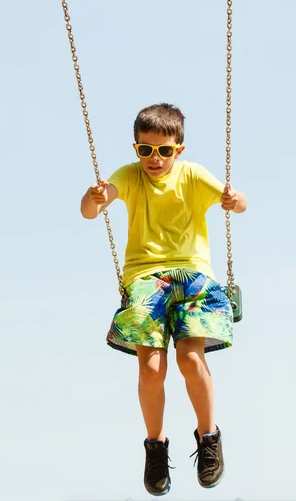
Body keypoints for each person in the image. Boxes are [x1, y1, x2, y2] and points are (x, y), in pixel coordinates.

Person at [81, 103, 247, 495]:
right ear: (135, 149)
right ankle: (155, 447)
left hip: (192, 275)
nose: (154, 159)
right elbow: (90, 212)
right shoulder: (130, 176)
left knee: (191, 360)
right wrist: (95, 196)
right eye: (145, 150)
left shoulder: (193, 174)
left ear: (179, 150)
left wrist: (233, 199)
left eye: (164, 151)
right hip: (145, 278)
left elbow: (239, 204)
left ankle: (209, 438)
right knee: (152, 369)